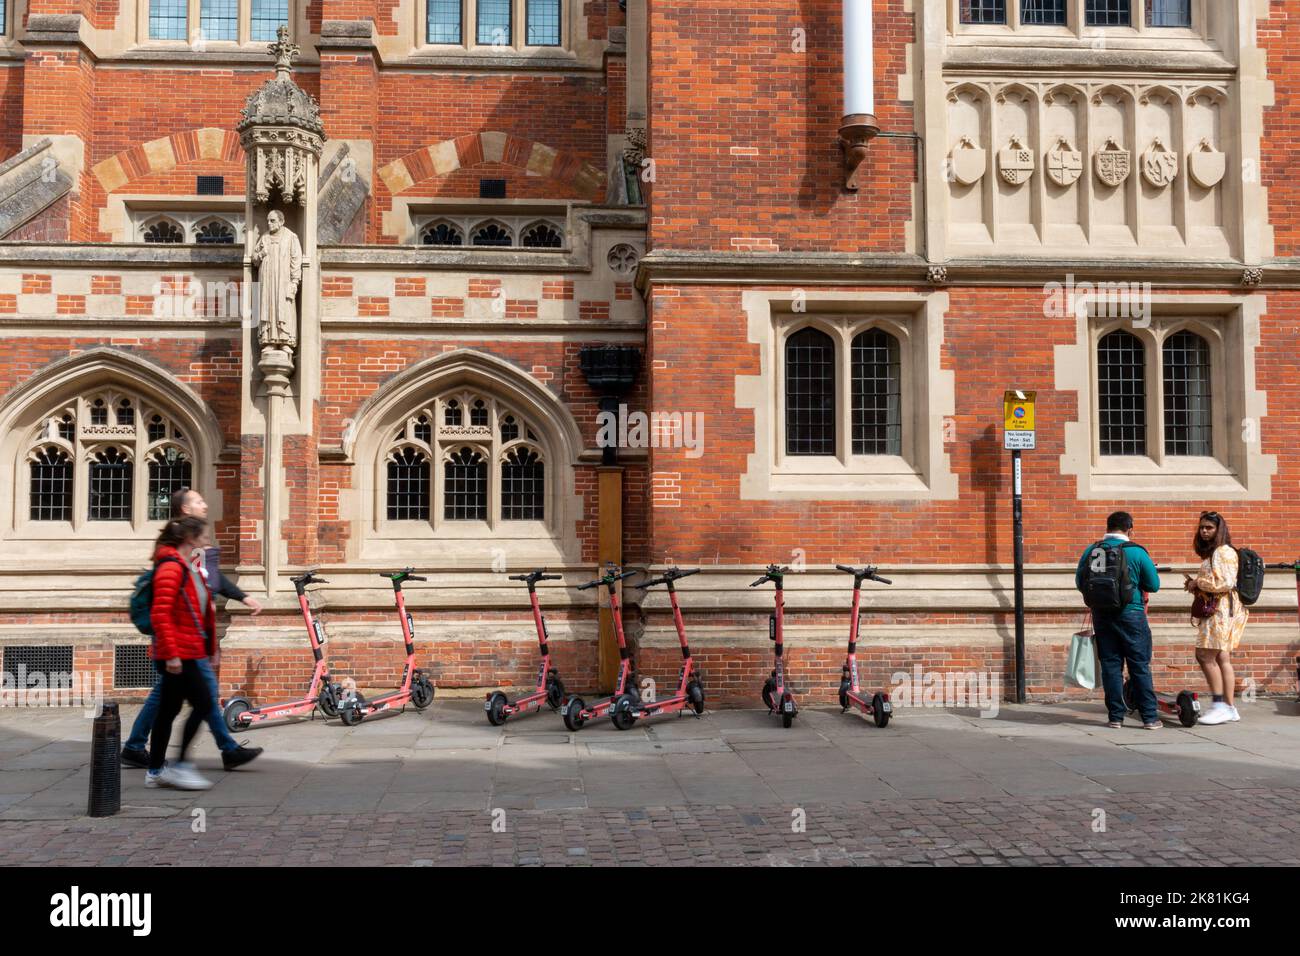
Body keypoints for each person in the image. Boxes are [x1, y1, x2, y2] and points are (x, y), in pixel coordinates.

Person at [122, 488, 263, 770]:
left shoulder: (189, 543)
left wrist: (241, 596)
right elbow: (200, 585)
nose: (205, 505)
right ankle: (221, 750)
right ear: (186, 510)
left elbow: (209, 580)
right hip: (182, 635)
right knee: (201, 695)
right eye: (198, 501)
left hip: (190, 634)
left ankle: (138, 747)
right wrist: (179, 649)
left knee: (170, 697)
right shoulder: (184, 547)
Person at [145, 516, 219, 790]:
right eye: (204, 535)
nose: (208, 539)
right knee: (204, 704)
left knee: (168, 710)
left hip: (188, 650)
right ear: (191, 539)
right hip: (178, 654)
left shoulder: (187, 566)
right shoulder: (172, 568)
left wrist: (210, 648)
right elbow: (161, 613)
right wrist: (173, 655)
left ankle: (155, 771)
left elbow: (199, 612)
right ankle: (181, 766)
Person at [1076, 511, 1162, 729]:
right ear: (1130, 529)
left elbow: (1080, 582)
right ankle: (1150, 717)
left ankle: (1115, 717)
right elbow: (1153, 585)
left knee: (1111, 666)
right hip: (1131, 614)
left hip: (1102, 614)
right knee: (1139, 665)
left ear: (1108, 527)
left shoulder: (1091, 550)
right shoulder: (1136, 552)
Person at [1184, 511, 1247, 726]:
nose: (1204, 531)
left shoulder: (1223, 552)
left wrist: (1198, 583)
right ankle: (1229, 708)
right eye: (1202, 527)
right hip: (1222, 608)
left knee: (1204, 655)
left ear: (1219, 529)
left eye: (1209, 527)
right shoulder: (1218, 552)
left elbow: (1226, 582)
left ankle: (1220, 706)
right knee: (1221, 657)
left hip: (1220, 612)